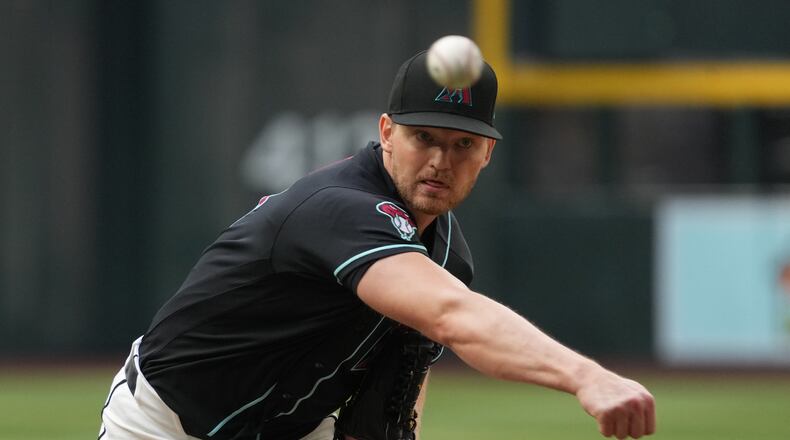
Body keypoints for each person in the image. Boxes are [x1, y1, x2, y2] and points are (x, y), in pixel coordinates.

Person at [98, 50, 656, 440]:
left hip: (292, 429)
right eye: (424, 138)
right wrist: (587, 376)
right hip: (164, 425)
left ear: (488, 154)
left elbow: (403, 374)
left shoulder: (445, 256)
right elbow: (450, 316)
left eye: (464, 144)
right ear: (387, 133)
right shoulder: (339, 208)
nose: (441, 160)